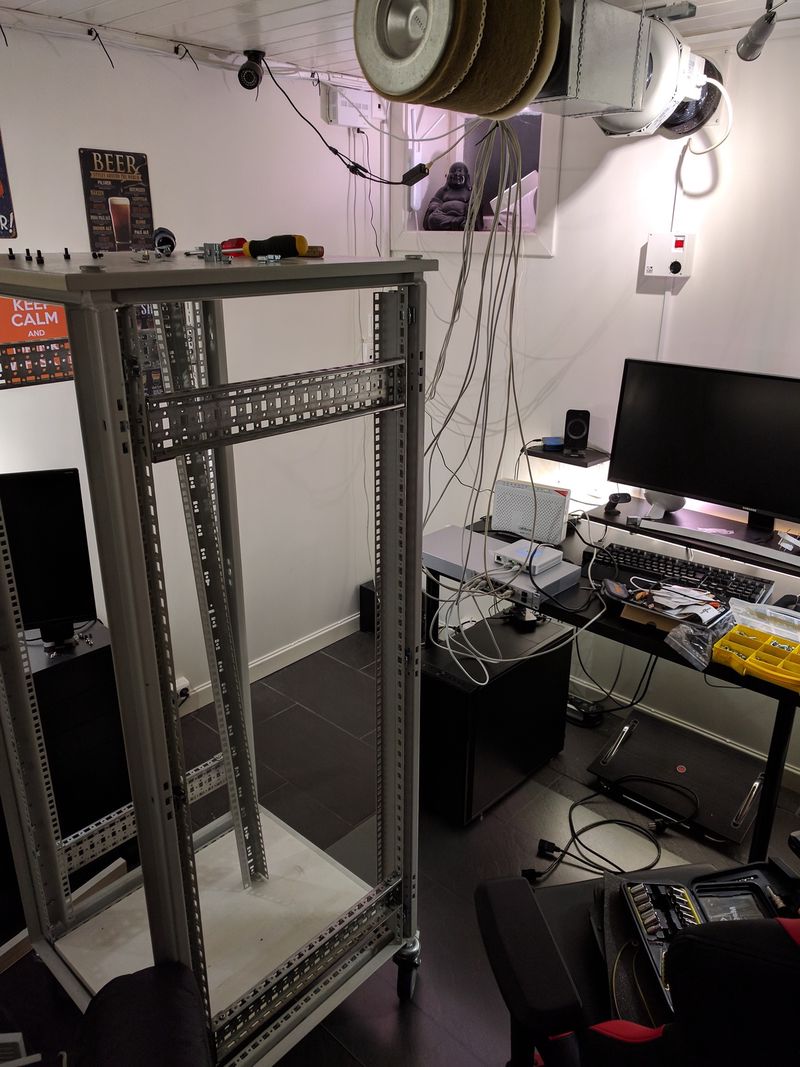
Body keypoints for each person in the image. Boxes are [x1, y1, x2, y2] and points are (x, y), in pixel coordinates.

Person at [422, 162, 483, 231]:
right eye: (453, 171)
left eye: (460, 171)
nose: (457, 174)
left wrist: (470, 207)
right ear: (448, 176)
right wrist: (435, 206)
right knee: (432, 219)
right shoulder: (443, 191)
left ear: (467, 176)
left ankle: (460, 223)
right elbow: (434, 202)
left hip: (463, 216)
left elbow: (476, 204)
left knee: (471, 222)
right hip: (444, 216)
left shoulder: (471, 191)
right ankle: (459, 223)